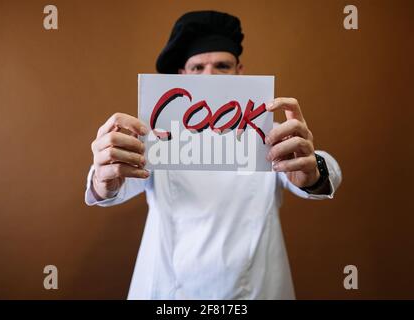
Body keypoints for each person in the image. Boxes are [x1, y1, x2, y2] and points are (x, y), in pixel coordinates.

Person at [85, 10, 342, 299]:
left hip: (253, 290)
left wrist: (313, 171)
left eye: (222, 65)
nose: (210, 77)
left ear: (240, 72)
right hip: (170, 292)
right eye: (198, 68)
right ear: (182, 76)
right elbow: (111, 186)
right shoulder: (157, 136)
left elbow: (327, 166)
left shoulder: (270, 134)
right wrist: (103, 180)